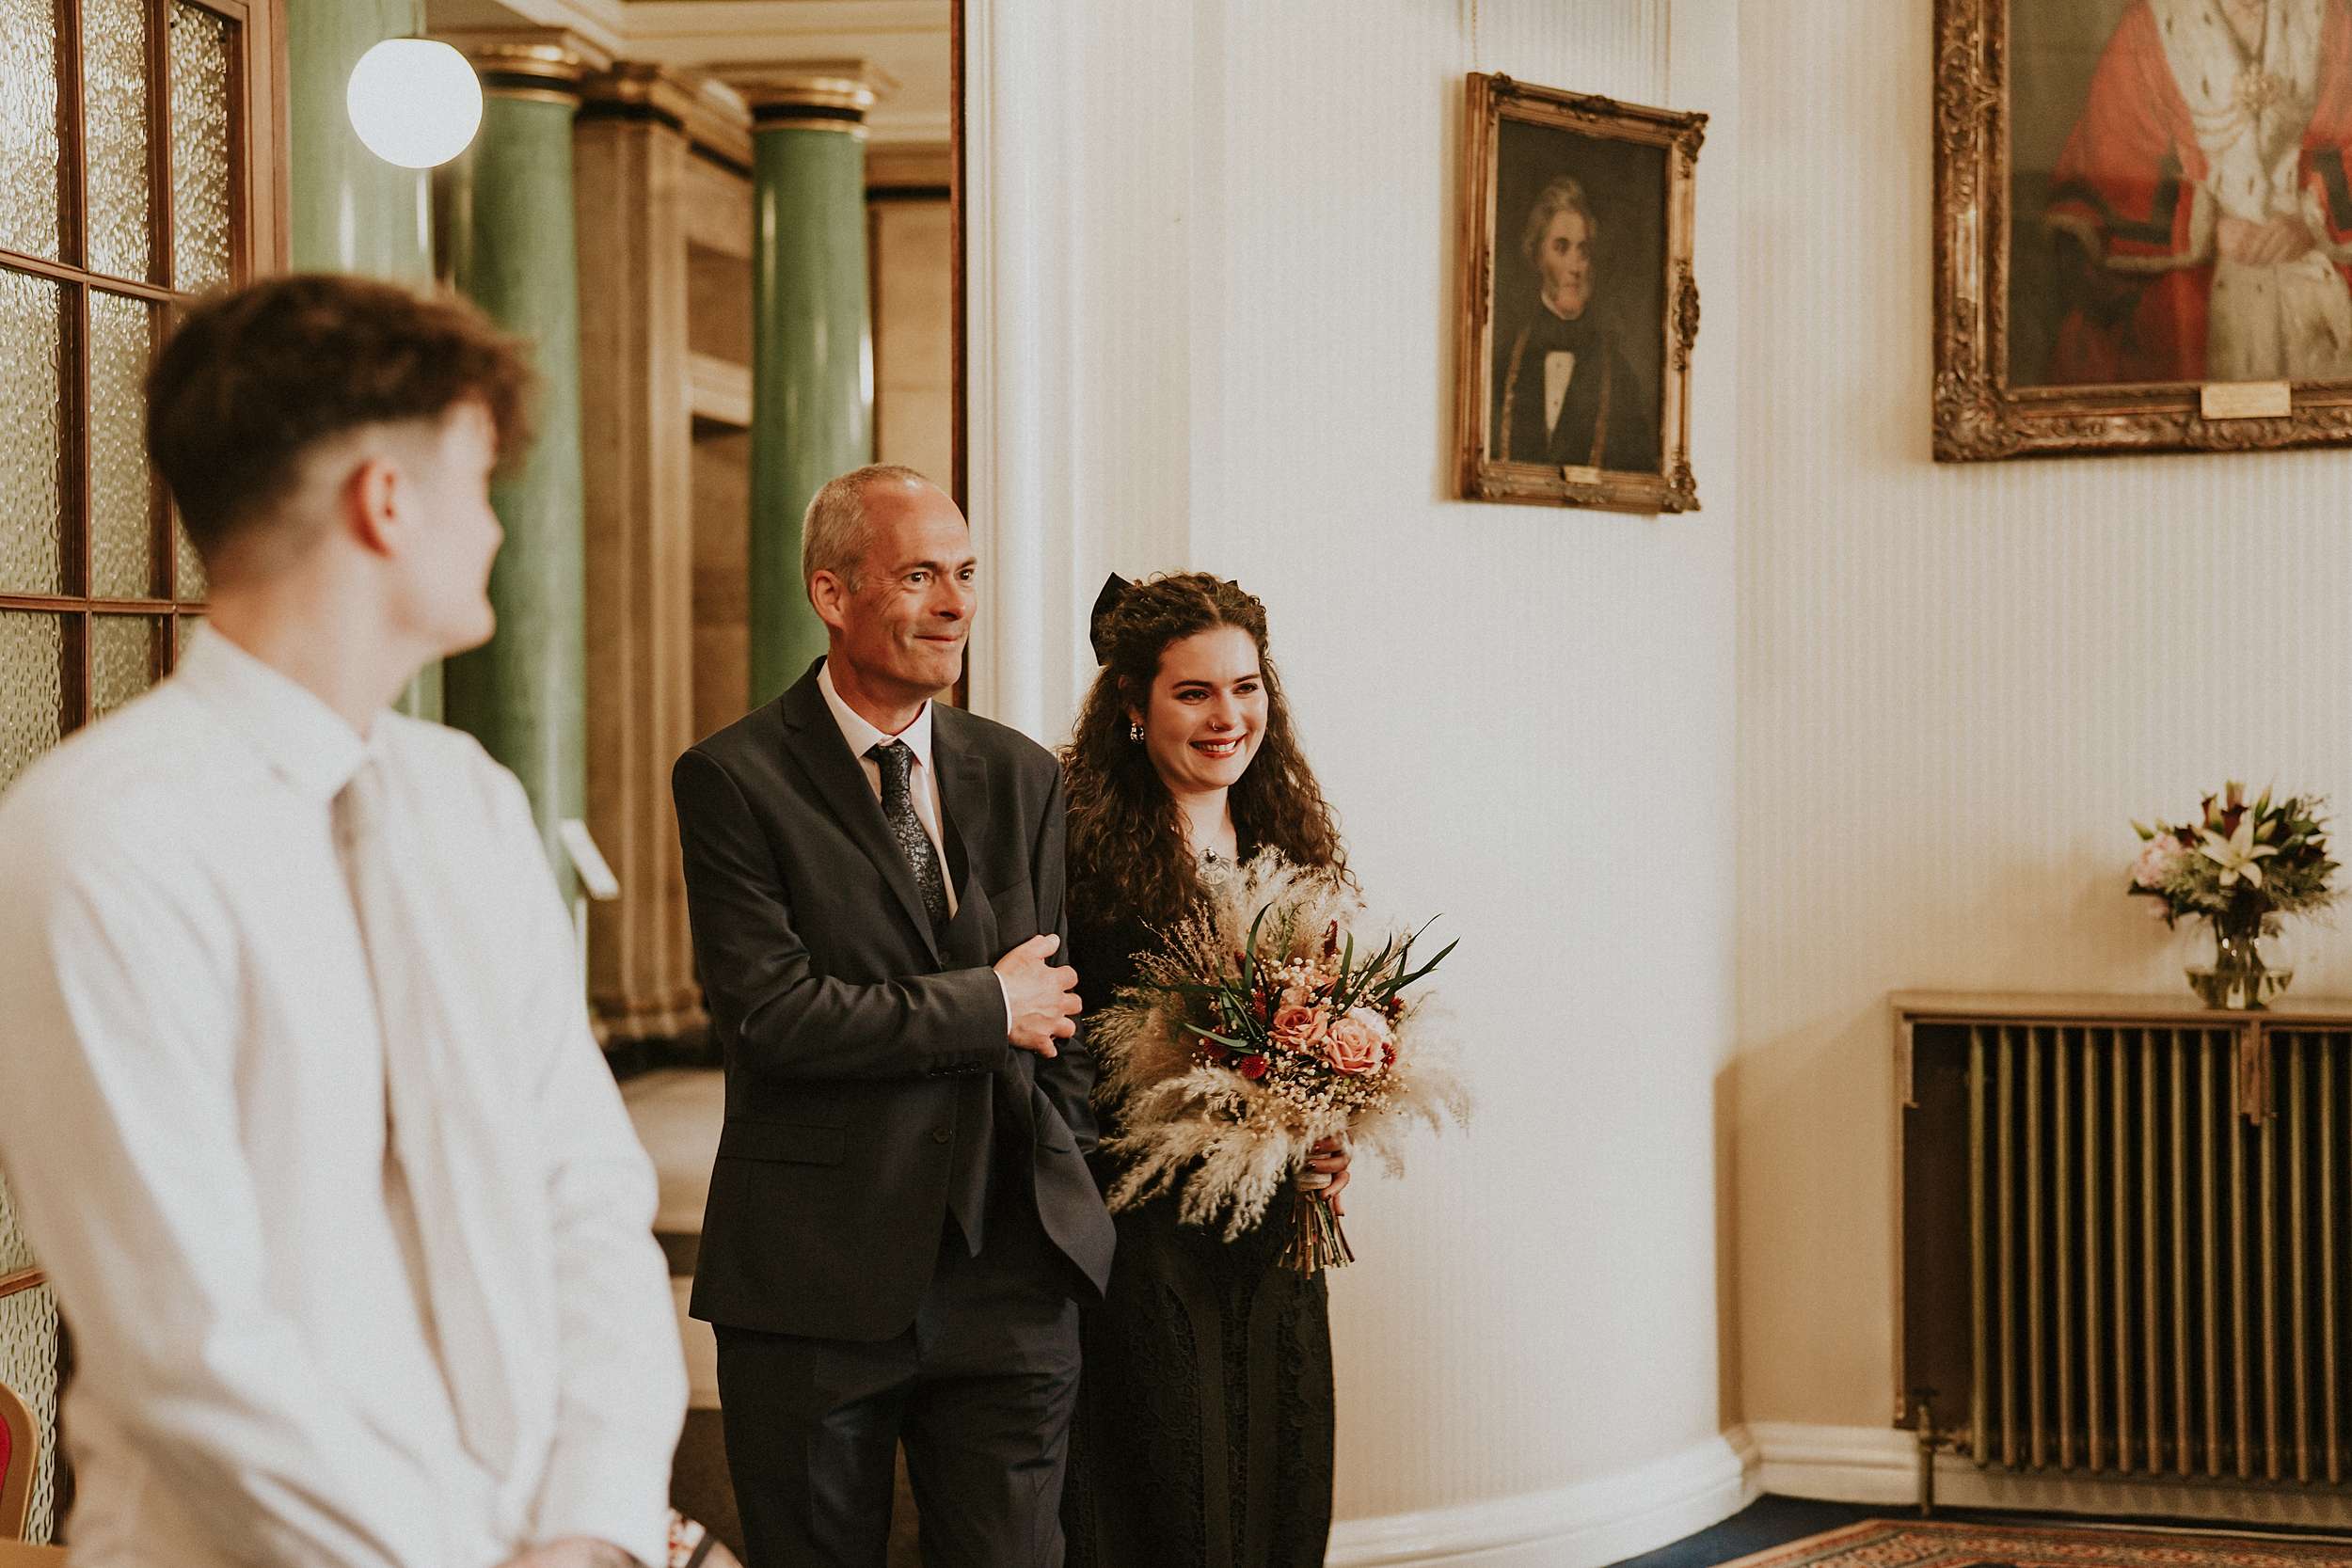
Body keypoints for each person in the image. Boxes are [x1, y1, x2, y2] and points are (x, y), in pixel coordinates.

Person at [0, 275, 687, 1568]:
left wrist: (593, 1518)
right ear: (386, 498)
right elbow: (184, 1338)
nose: (496, 527)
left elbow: (586, 1186)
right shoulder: (98, 837)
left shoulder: (468, 801)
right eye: (478, 482)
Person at [671, 465, 1116, 1567]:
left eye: (965, 573)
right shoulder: (731, 778)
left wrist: (1067, 1186)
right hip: (815, 1278)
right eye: (920, 576)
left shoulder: (1021, 773)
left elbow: (1056, 1006)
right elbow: (774, 1015)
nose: (956, 604)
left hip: (1011, 1275)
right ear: (832, 593)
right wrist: (987, 1003)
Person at [1057, 573, 1354, 1568]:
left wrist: (1328, 1125)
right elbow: (1064, 1052)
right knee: (1168, 1498)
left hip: (1274, 1232)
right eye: (1194, 692)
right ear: (1133, 706)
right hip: (1141, 1231)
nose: (1229, 716)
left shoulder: (1286, 836)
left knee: (1284, 1477)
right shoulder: (1075, 852)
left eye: (1245, 685)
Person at [2044, 0, 2352, 384]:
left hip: (2310, 257)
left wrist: (2310, 223)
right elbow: (2114, 167)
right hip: (2193, 276)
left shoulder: (2329, 17)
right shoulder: (2148, 24)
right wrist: (2208, 228)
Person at [1490, 174, 1658, 471]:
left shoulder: (1619, 374)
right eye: (1561, 247)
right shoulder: (1502, 365)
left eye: (1583, 251)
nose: (1575, 266)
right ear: (1537, 255)